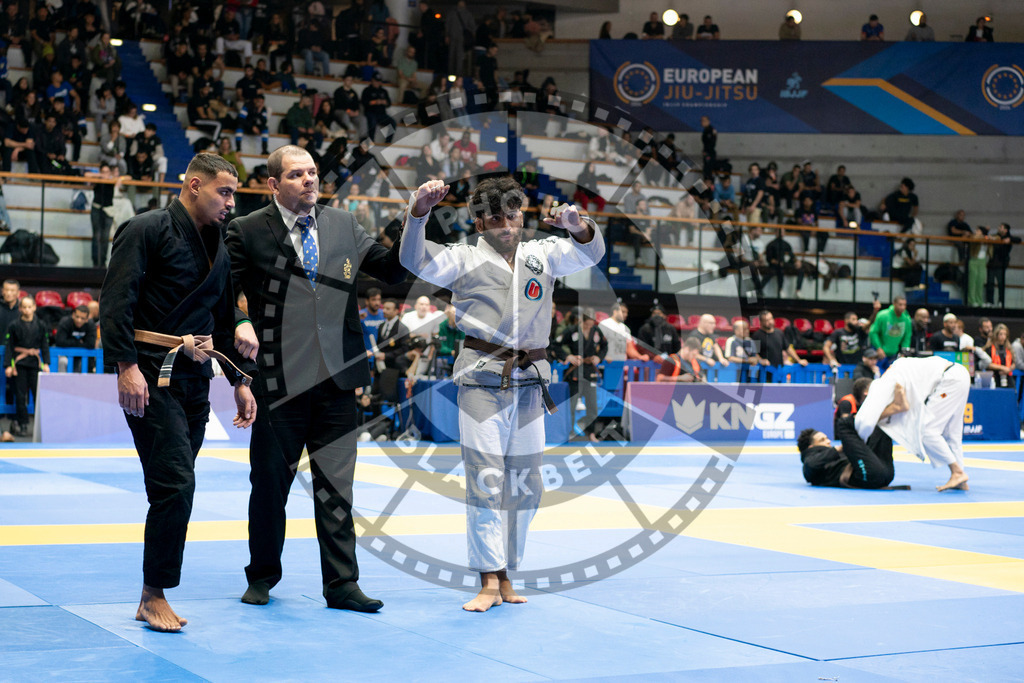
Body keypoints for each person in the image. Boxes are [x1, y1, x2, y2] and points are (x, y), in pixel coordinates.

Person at [399, 175, 604, 612]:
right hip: (482, 379)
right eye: (494, 218)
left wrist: (577, 223)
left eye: (512, 216)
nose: (505, 225)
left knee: (526, 485)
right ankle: (488, 578)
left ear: (522, 215)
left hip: (532, 381)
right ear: (478, 222)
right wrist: (419, 212)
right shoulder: (462, 258)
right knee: (487, 479)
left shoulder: (543, 254)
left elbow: (590, 251)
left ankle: (508, 571)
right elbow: (414, 258)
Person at [225, 145, 407, 613]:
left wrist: (417, 219)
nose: (309, 180)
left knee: (337, 489)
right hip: (278, 381)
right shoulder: (246, 230)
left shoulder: (343, 224)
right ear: (273, 184)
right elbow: (220, 293)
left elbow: (390, 269)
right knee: (269, 485)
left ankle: (342, 585)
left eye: (313, 173)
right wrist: (237, 322)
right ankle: (262, 575)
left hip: (337, 380)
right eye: (296, 174)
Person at [99, 153, 257, 632]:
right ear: (193, 185)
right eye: (224, 192)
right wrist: (126, 367)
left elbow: (226, 318)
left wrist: (240, 381)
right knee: (176, 484)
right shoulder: (145, 229)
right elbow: (116, 300)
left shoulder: (220, 246)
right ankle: (153, 594)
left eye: (233, 194)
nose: (231, 202)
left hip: (195, 378)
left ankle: (153, 589)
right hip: (150, 371)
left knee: (171, 484)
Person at [855, 356, 970, 492]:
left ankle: (957, 472)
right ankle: (960, 479)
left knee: (926, 431)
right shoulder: (892, 377)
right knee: (952, 432)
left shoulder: (878, 387)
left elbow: (865, 421)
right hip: (959, 375)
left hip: (949, 381)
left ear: (865, 394)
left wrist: (858, 443)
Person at [798, 385, 907, 489]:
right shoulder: (810, 461)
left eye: (826, 438)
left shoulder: (833, 456)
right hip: (867, 475)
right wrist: (838, 449)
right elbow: (810, 465)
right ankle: (895, 407)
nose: (828, 442)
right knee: (843, 424)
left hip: (885, 475)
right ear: (811, 447)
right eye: (822, 440)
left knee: (879, 427)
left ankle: (891, 407)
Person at [556, 309, 607, 442]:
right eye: (587, 324)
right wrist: (568, 356)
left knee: (593, 407)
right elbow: (556, 344)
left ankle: (590, 433)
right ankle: (570, 432)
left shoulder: (596, 331)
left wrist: (598, 357)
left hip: (590, 371)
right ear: (582, 320)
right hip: (576, 371)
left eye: (591, 324)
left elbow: (604, 346)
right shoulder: (572, 330)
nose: (589, 327)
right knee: (572, 406)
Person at [4, 296, 49, 436]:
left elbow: (44, 345)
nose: (27, 310)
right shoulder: (14, 325)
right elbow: (10, 346)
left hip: (35, 364)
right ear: (20, 308)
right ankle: (23, 424)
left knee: (38, 395)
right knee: (20, 395)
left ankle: (41, 426)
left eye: (30, 307)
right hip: (20, 364)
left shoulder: (41, 325)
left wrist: (46, 363)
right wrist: (8, 365)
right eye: (24, 307)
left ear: (34, 307)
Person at [868, 296, 911, 366]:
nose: (902, 307)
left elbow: (907, 337)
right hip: (879, 353)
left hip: (894, 354)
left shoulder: (906, 319)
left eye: (904, 305)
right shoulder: (882, 315)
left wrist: (904, 352)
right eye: (900, 304)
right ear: (894, 304)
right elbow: (873, 332)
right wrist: (878, 348)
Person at [55, 304, 97, 373]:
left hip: (82, 356)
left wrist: (70, 342)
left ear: (86, 319)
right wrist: (79, 342)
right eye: (77, 317)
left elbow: (91, 344)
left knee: (86, 362)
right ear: (73, 315)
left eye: (82, 318)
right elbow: (59, 342)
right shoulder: (65, 322)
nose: (79, 320)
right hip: (65, 354)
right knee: (62, 361)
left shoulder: (91, 325)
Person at [985, 223, 1017, 307]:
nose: (999, 228)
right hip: (992, 263)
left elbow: (1018, 239)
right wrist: (987, 232)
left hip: (1001, 264)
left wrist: (1009, 239)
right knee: (990, 283)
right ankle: (990, 301)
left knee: (1000, 283)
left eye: (1001, 227)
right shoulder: (996, 236)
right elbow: (988, 237)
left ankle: (1001, 301)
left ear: (1006, 230)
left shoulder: (1008, 238)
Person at [982, 323, 1015, 388]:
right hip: (994, 377)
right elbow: (987, 364)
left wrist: (1009, 369)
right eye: (1001, 334)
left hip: (1007, 376)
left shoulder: (1008, 348)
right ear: (996, 335)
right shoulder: (990, 347)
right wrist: (1002, 368)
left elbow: (1013, 362)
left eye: (1005, 334)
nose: (1003, 336)